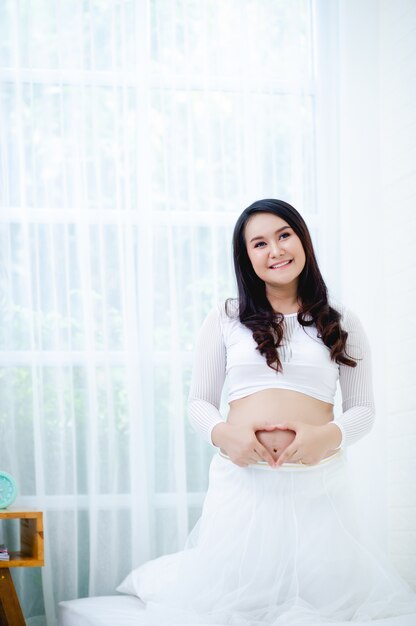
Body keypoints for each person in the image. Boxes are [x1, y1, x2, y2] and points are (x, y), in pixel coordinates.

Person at [117, 199, 416, 625]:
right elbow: (199, 403)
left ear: (302, 240)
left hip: (320, 490)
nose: (275, 250)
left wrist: (324, 437)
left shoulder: (341, 319)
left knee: (328, 604)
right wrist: (226, 435)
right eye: (259, 243)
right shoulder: (226, 317)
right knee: (234, 601)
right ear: (246, 257)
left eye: (284, 235)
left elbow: (363, 410)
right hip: (243, 486)